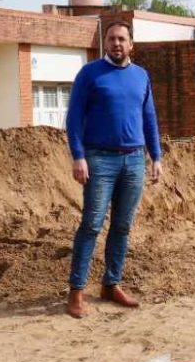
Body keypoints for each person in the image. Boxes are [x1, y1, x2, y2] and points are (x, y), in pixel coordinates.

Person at [64, 21, 162, 319]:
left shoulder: (141, 76)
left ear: (131, 44)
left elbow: (149, 118)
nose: (116, 43)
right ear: (105, 43)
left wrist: (156, 157)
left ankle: (111, 284)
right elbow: (74, 117)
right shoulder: (90, 73)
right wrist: (78, 156)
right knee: (92, 224)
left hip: (134, 160)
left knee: (122, 226)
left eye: (122, 39)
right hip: (99, 159)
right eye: (111, 38)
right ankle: (76, 291)